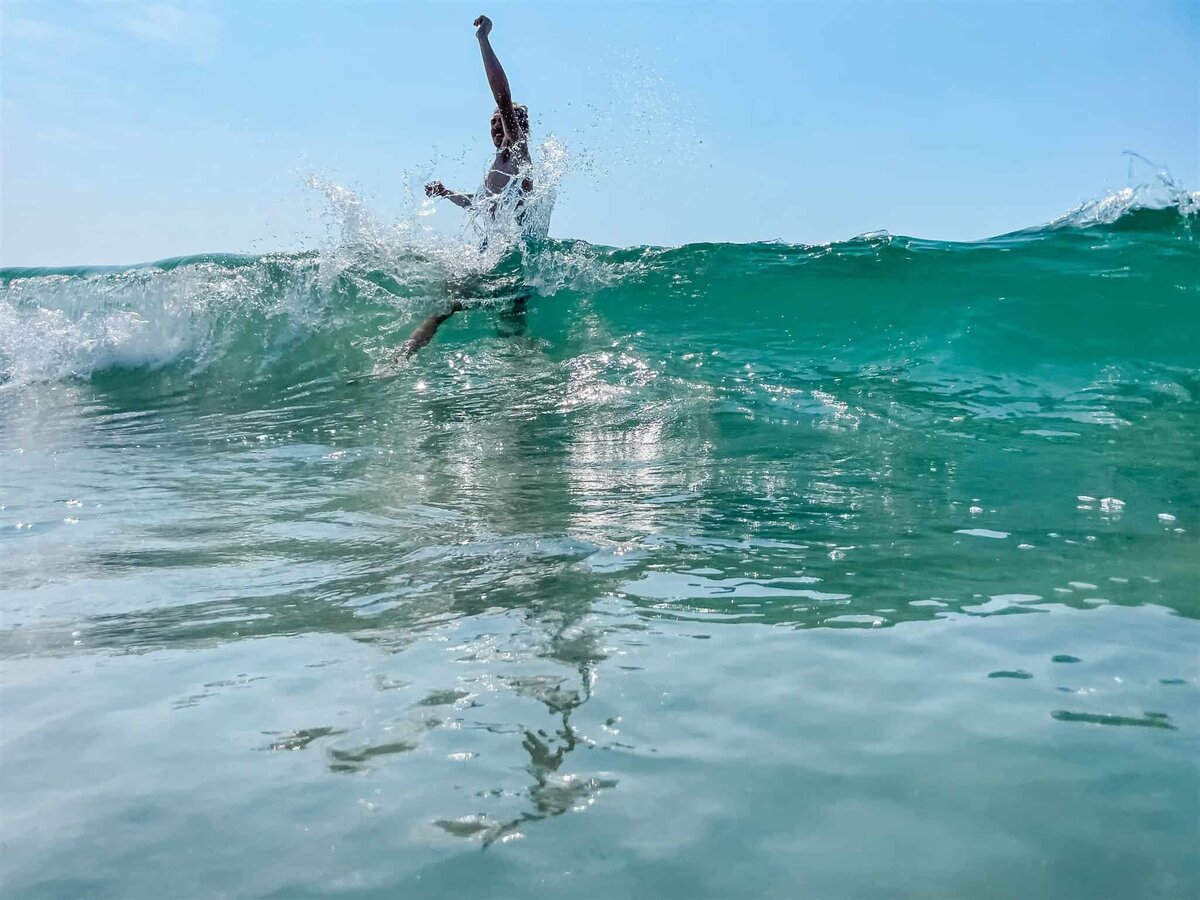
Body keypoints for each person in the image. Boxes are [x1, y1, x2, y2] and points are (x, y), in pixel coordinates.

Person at [399, 14, 533, 359]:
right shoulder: (503, 166)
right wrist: (447, 194)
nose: (496, 128)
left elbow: (504, 96)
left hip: (505, 265)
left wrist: (483, 41)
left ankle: (400, 358)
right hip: (506, 265)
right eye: (491, 124)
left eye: (501, 122)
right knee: (510, 339)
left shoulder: (519, 155)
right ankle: (525, 390)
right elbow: (483, 205)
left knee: (445, 308)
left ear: (519, 126)